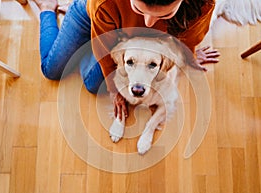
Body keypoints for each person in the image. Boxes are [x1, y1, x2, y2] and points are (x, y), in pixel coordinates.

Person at [34, 0, 220, 119]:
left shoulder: (202, 4)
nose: (148, 23)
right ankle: (47, 7)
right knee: (51, 70)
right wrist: (114, 90)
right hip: (92, 16)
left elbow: (189, 39)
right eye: (138, 9)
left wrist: (189, 56)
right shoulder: (104, 3)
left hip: (122, 42)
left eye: (165, 15)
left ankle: (89, 36)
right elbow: (102, 50)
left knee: (92, 85)